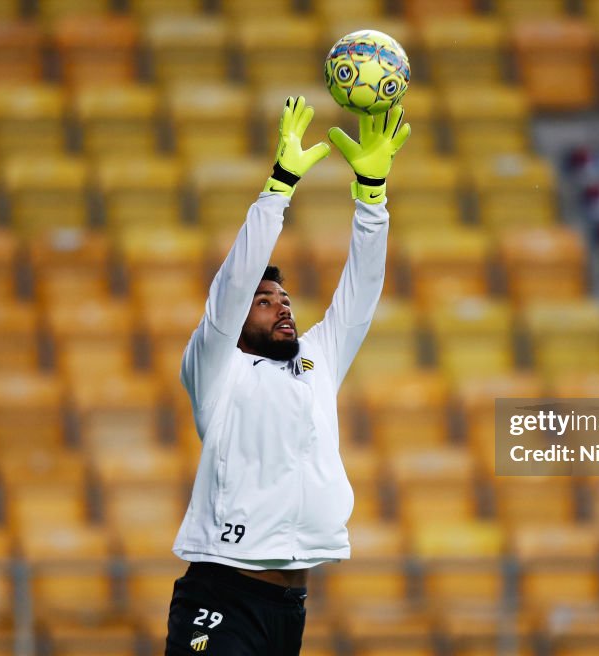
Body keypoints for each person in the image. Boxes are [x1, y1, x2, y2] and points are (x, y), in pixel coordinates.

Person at [164, 96, 411, 656]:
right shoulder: (215, 368)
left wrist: (371, 198)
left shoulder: (315, 362)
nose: (283, 307)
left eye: (286, 298)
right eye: (264, 301)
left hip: (289, 609)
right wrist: (278, 190)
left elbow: (361, 293)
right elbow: (231, 286)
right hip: (222, 595)